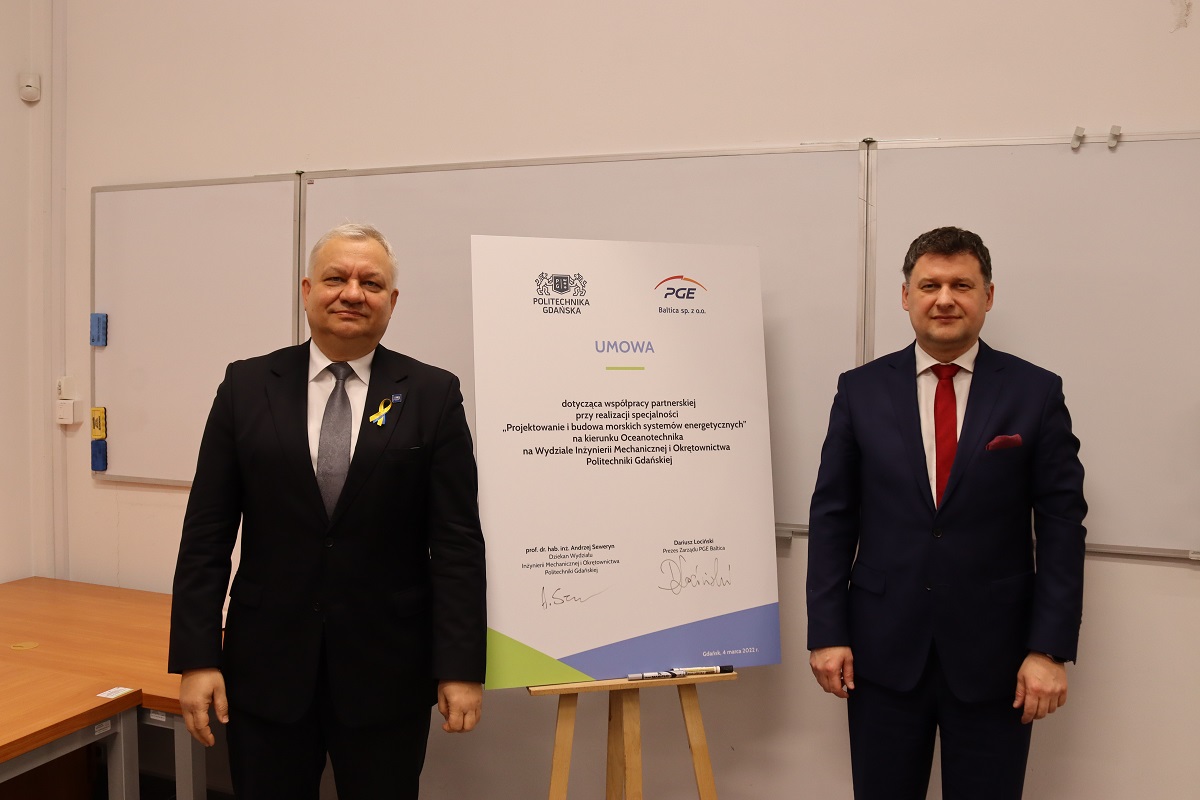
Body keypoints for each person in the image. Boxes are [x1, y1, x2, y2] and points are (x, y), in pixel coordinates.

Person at [169, 223, 487, 799]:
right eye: (337, 278)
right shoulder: (246, 385)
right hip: (266, 667)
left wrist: (461, 666)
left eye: (372, 282)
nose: (352, 293)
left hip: (388, 671)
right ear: (307, 289)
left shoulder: (433, 393)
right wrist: (196, 658)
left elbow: (457, 543)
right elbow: (206, 533)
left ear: (392, 300)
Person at [806, 226, 1086, 799]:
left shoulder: (1035, 392)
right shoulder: (859, 391)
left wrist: (1049, 649)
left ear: (988, 296)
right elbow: (833, 516)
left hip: (998, 659)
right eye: (930, 285)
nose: (945, 299)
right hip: (881, 652)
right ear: (905, 295)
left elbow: (1062, 527)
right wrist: (827, 632)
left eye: (962, 284)